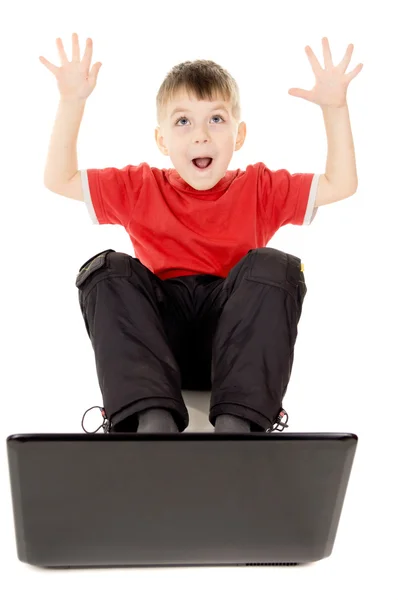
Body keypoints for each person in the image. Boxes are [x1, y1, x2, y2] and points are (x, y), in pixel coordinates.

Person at [40, 33, 362, 434]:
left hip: (232, 341)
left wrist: (335, 108)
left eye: (216, 119)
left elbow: (341, 183)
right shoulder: (141, 186)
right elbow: (59, 178)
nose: (201, 135)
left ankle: (238, 423)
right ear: (162, 140)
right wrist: (73, 101)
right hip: (158, 343)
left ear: (238, 135)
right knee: (106, 270)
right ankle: (151, 419)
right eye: (183, 121)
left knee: (275, 266)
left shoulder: (259, 188)